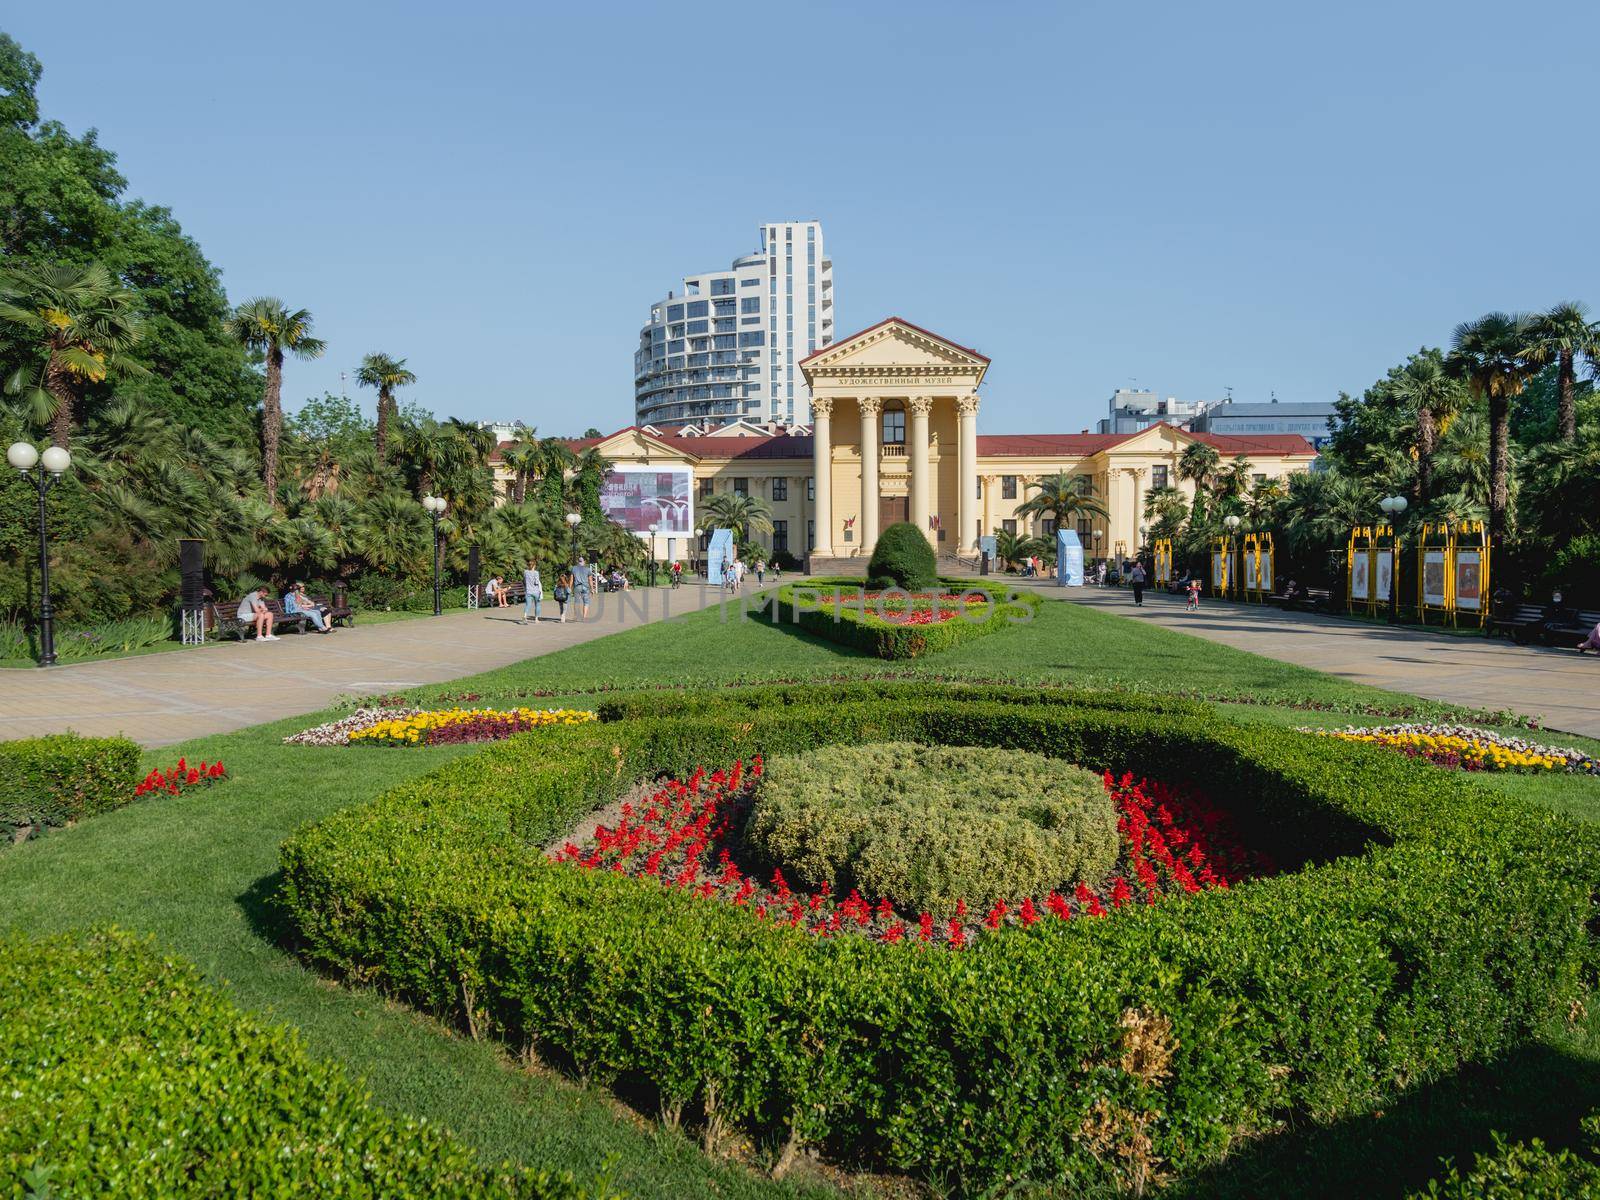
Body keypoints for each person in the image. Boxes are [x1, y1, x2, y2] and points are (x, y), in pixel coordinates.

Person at [519, 558, 542, 625]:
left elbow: (524, 581)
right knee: (537, 605)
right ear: (534, 565)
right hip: (536, 592)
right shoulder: (536, 573)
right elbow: (536, 582)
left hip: (528, 591)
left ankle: (525, 616)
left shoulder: (525, 572)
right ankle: (536, 619)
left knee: (528, 605)